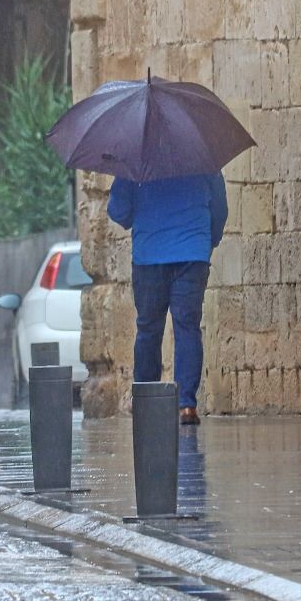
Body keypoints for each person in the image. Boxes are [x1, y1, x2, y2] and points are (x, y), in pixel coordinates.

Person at [107, 173, 227, 425]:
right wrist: (208, 241)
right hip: (193, 253)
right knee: (187, 326)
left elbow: (119, 212)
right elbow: (220, 208)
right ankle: (186, 404)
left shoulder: (135, 161)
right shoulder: (202, 156)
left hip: (150, 255)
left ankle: (146, 399)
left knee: (149, 328)